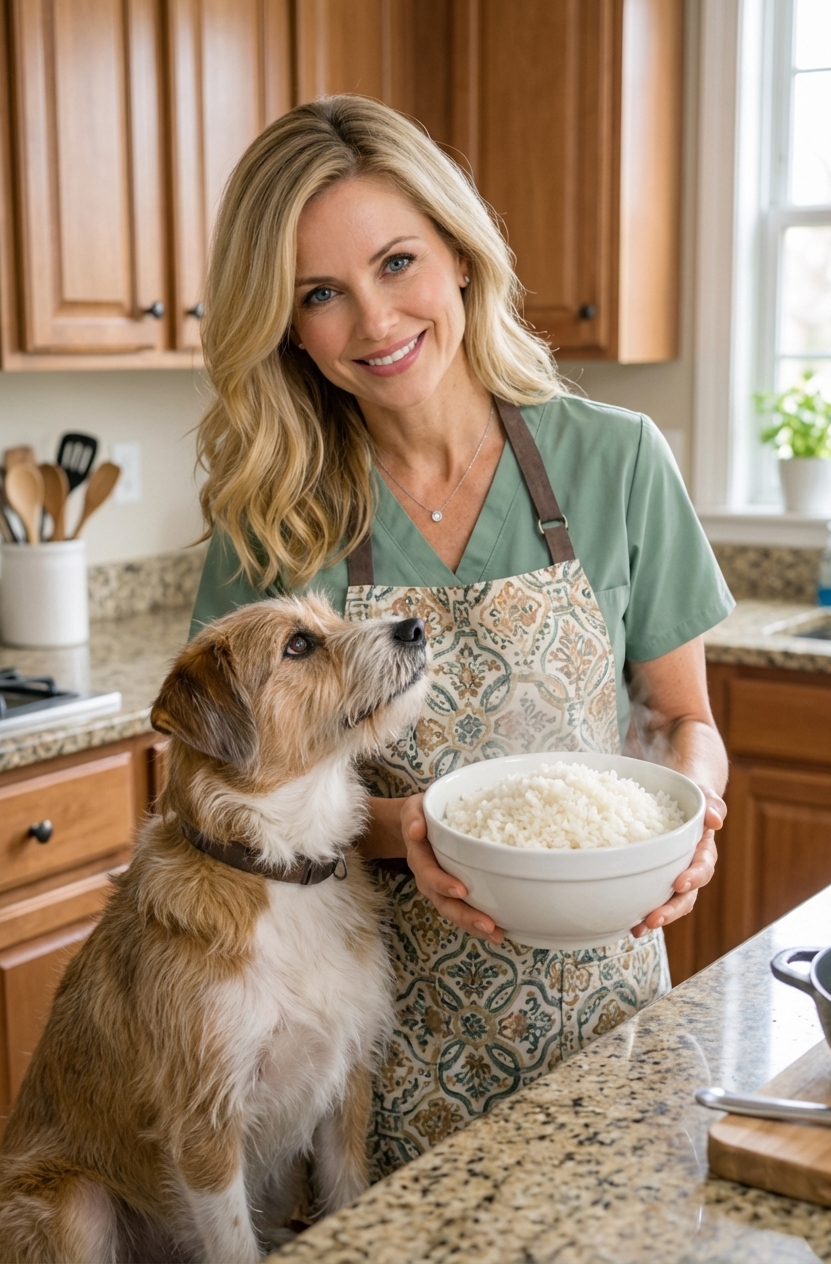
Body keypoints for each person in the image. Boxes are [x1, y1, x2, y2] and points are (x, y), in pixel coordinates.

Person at [190, 95, 733, 1181]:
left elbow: (683, 720)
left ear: (461, 255)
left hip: (601, 1018)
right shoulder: (269, 518)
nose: (377, 323)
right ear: (288, 326)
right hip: (361, 1048)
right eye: (322, 294)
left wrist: (694, 818)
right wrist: (404, 828)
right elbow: (217, 799)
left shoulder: (618, 460)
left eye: (398, 262)